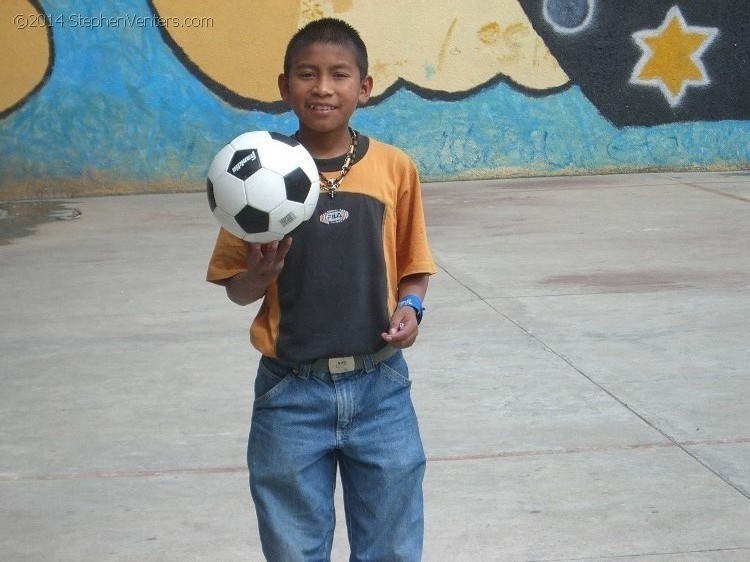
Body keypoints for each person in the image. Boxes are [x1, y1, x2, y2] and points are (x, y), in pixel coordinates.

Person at [206, 17, 436, 561]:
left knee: (392, 546)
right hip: (290, 393)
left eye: (339, 75)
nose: (323, 87)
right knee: (294, 549)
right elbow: (236, 289)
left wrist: (412, 305)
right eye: (307, 75)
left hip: (381, 389)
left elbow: (415, 265)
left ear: (365, 87)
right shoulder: (254, 172)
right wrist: (257, 278)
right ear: (285, 86)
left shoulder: (393, 168)